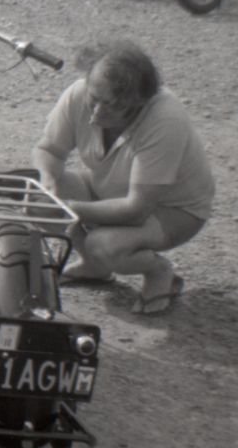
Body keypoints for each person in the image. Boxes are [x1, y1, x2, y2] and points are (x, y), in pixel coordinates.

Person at [31, 39, 215, 315]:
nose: (96, 113)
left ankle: (158, 271)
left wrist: (70, 209)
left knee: (103, 245)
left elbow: (137, 209)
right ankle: (94, 267)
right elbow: (48, 150)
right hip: (113, 188)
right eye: (94, 100)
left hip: (173, 210)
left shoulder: (165, 119)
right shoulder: (79, 93)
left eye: (114, 106)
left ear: (140, 102)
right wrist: (48, 180)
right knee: (35, 202)